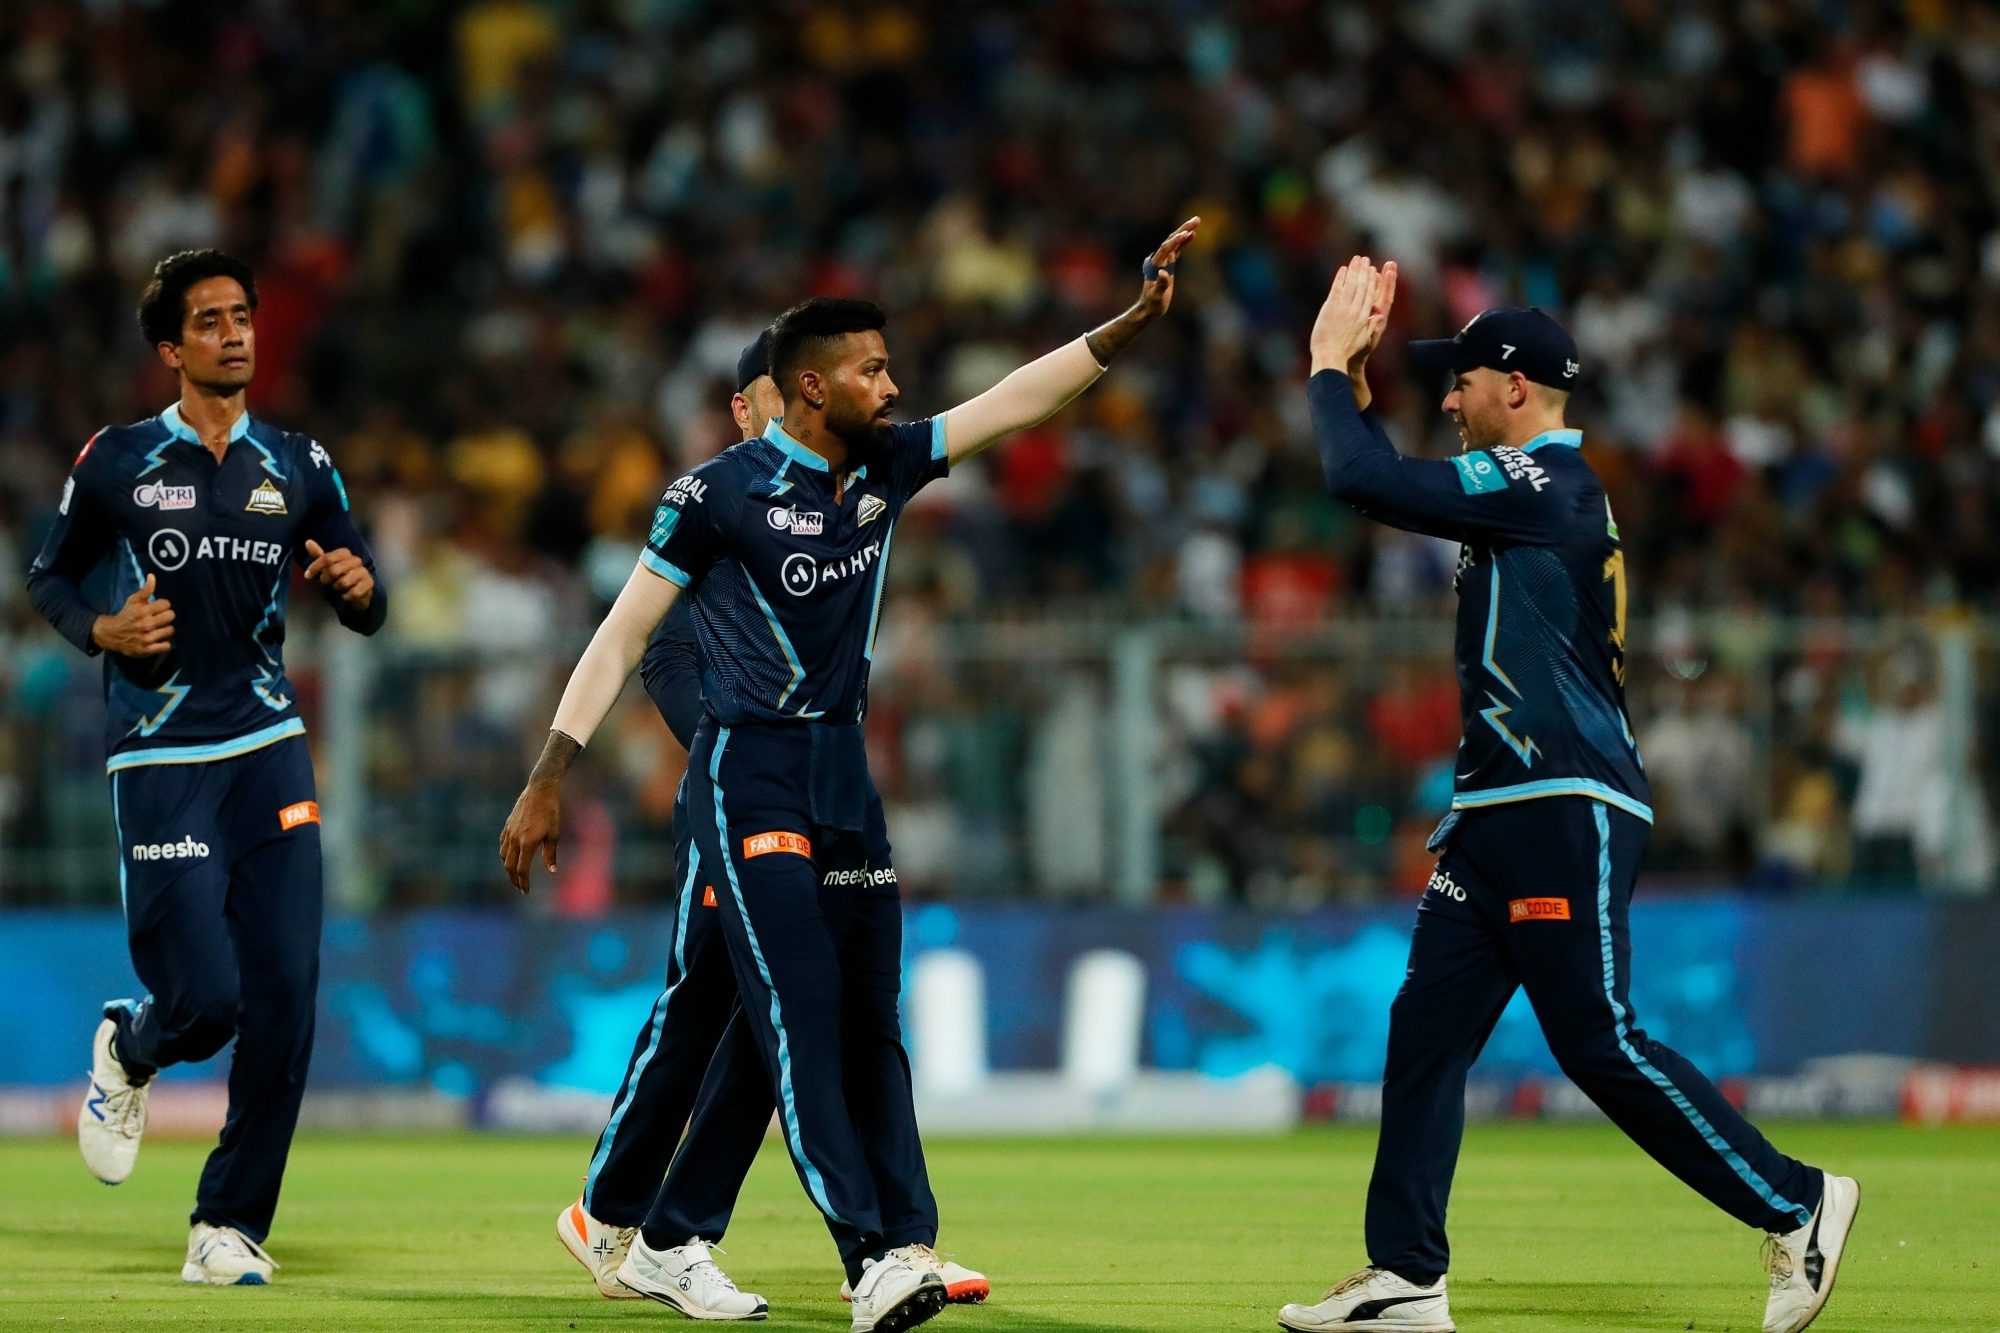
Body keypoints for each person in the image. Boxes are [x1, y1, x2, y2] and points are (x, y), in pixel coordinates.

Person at [502, 216, 1198, 1332]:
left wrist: (1127, 323)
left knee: (861, 1011)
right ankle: (869, 1254)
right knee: (796, 1009)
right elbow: (625, 633)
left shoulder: (886, 465)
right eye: (873, 368)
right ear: (812, 388)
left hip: (843, 777)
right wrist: (550, 771)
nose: (894, 384)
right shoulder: (714, 495)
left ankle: (785, 1232)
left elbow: (1012, 402)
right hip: (747, 773)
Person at [1275, 258, 1857, 1333]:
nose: (1448, 401)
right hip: (1497, 811)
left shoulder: (1545, 484)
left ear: (1514, 385)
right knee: (1425, 1032)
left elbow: (1364, 480)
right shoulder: (1520, 492)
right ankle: (1405, 1272)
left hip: (1562, 800)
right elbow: (1387, 474)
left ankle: (1797, 1200)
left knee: (1597, 1040)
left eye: (1460, 382)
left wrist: (1322, 365)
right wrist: (1352, 388)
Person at [554, 333, 990, 1312]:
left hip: (814, 801)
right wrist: (750, 760)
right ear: (746, 409)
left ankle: (873, 1234)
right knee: (713, 1009)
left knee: (797, 1011)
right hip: (738, 803)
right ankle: (626, 1209)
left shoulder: (826, 505)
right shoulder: (713, 519)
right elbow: (663, 662)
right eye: (760, 404)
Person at [26, 249, 387, 1286]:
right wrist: (103, 628)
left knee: (287, 996)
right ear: (170, 349)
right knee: (208, 1001)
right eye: (210, 321)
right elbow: (50, 577)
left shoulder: (299, 463)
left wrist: (358, 588)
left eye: (242, 316)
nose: (234, 334)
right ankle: (133, 1043)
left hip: (268, 746)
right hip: (162, 752)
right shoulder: (118, 459)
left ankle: (227, 1223)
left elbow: (364, 593)